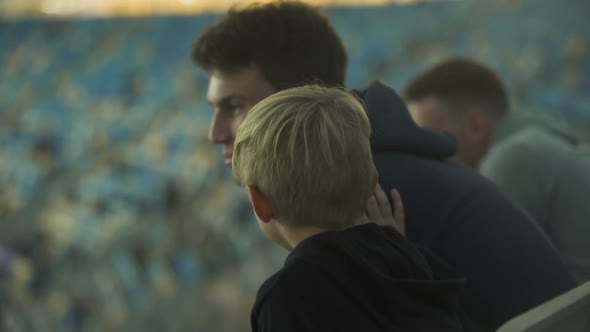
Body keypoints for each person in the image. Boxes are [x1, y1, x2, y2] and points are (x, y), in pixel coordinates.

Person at [191, 2, 577, 330]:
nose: (215, 132)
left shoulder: (358, 196)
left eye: (235, 106)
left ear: (292, 101)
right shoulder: (376, 168)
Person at [233, 85, 467, 331]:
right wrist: (393, 243)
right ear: (373, 180)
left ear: (260, 203)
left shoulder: (284, 298)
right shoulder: (413, 265)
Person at [403, 57, 590, 282]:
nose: (427, 152)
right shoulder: (539, 140)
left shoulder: (514, 157)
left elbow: (483, 276)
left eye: (431, 136)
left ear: (476, 126)